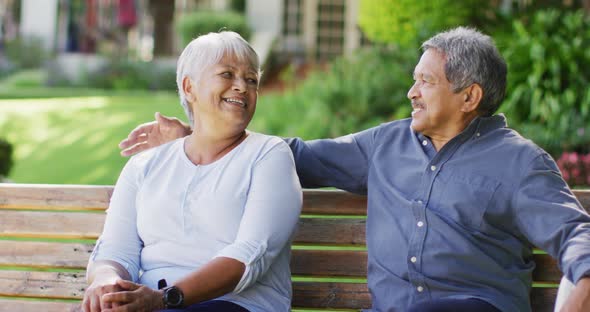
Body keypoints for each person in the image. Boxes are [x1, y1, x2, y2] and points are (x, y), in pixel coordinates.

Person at [118, 27, 590, 312]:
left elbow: (577, 236)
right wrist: (196, 134)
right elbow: (290, 155)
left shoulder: (521, 162)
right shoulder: (385, 144)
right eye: (413, 79)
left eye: (425, 81)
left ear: (470, 97)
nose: (412, 92)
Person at [83, 31, 302, 312]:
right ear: (189, 87)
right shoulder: (144, 165)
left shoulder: (268, 155)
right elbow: (114, 250)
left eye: (251, 80)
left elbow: (249, 256)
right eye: (227, 74)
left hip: (235, 303)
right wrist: (107, 283)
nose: (242, 87)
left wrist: (163, 298)